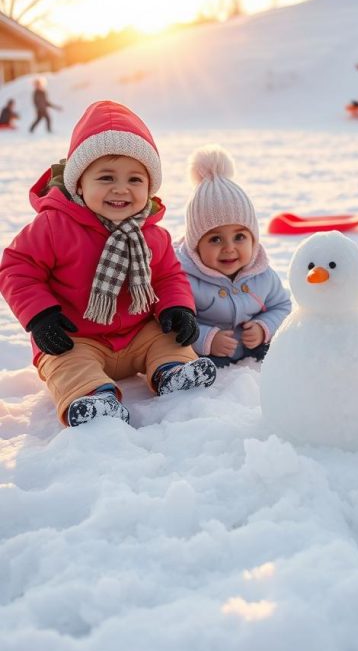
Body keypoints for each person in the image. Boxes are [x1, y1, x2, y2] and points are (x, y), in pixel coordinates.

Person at [0, 100, 217, 427]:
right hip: (74, 336)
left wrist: (177, 307)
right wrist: (41, 316)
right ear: (79, 184)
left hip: (137, 333)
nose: (121, 189)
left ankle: (173, 371)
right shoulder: (54, 226)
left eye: (134, 180)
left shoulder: (152, 234)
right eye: (105, 177)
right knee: (66, 361)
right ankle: (89, 396)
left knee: (168, 338)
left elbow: (169, 276)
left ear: (149, 187)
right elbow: (17, 268)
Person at [175, 145, 291, 368]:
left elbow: (282, 306)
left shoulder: (262, 274)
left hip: (254, 353)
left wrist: (263, 327)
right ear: (195, 244)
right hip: (205, 359)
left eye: (239, 237)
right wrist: (206, 338)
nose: (229, 248)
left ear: (253, 238)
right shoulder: (184, 278)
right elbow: (175, 323)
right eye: (215, 239)